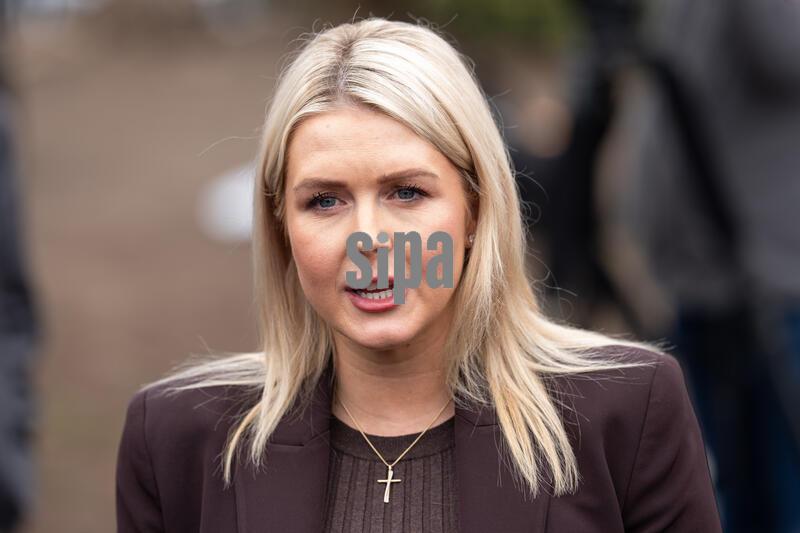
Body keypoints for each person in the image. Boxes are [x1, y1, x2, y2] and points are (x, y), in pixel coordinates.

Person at [115, 18, 721, 532]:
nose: (370, 242)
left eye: (406, 192)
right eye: (325, 201)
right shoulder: (177, 439)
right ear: (280, 228)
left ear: (476, 208)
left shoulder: (628, 411)